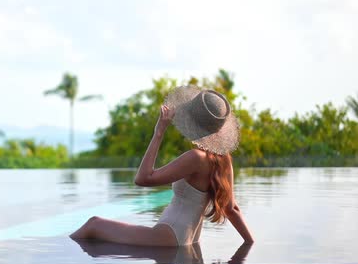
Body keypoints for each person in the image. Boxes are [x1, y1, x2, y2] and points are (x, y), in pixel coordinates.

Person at [70, 86, 254, 246]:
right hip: (187, 240)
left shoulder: (195, 158)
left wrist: (159, 131)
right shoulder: (224, 160)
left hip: (168, 236)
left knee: (93, 224)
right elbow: (231, 209)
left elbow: (143, 179)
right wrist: (250, 243)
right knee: (94, 227)